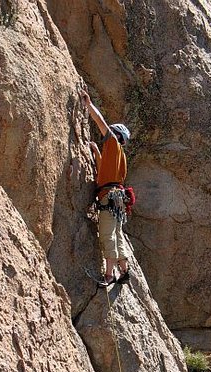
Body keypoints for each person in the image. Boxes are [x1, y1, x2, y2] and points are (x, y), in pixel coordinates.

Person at [80, 89, 131, 286]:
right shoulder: (120, 156)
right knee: (117, 235)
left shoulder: (112, 142)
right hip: (117, 199)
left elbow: (101, 123)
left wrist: (89, 105)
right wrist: (95, 153)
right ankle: (124, 271)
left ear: (116, 135)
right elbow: (105, 175)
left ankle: (109, 275)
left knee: (107, 234)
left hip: (109, 197)